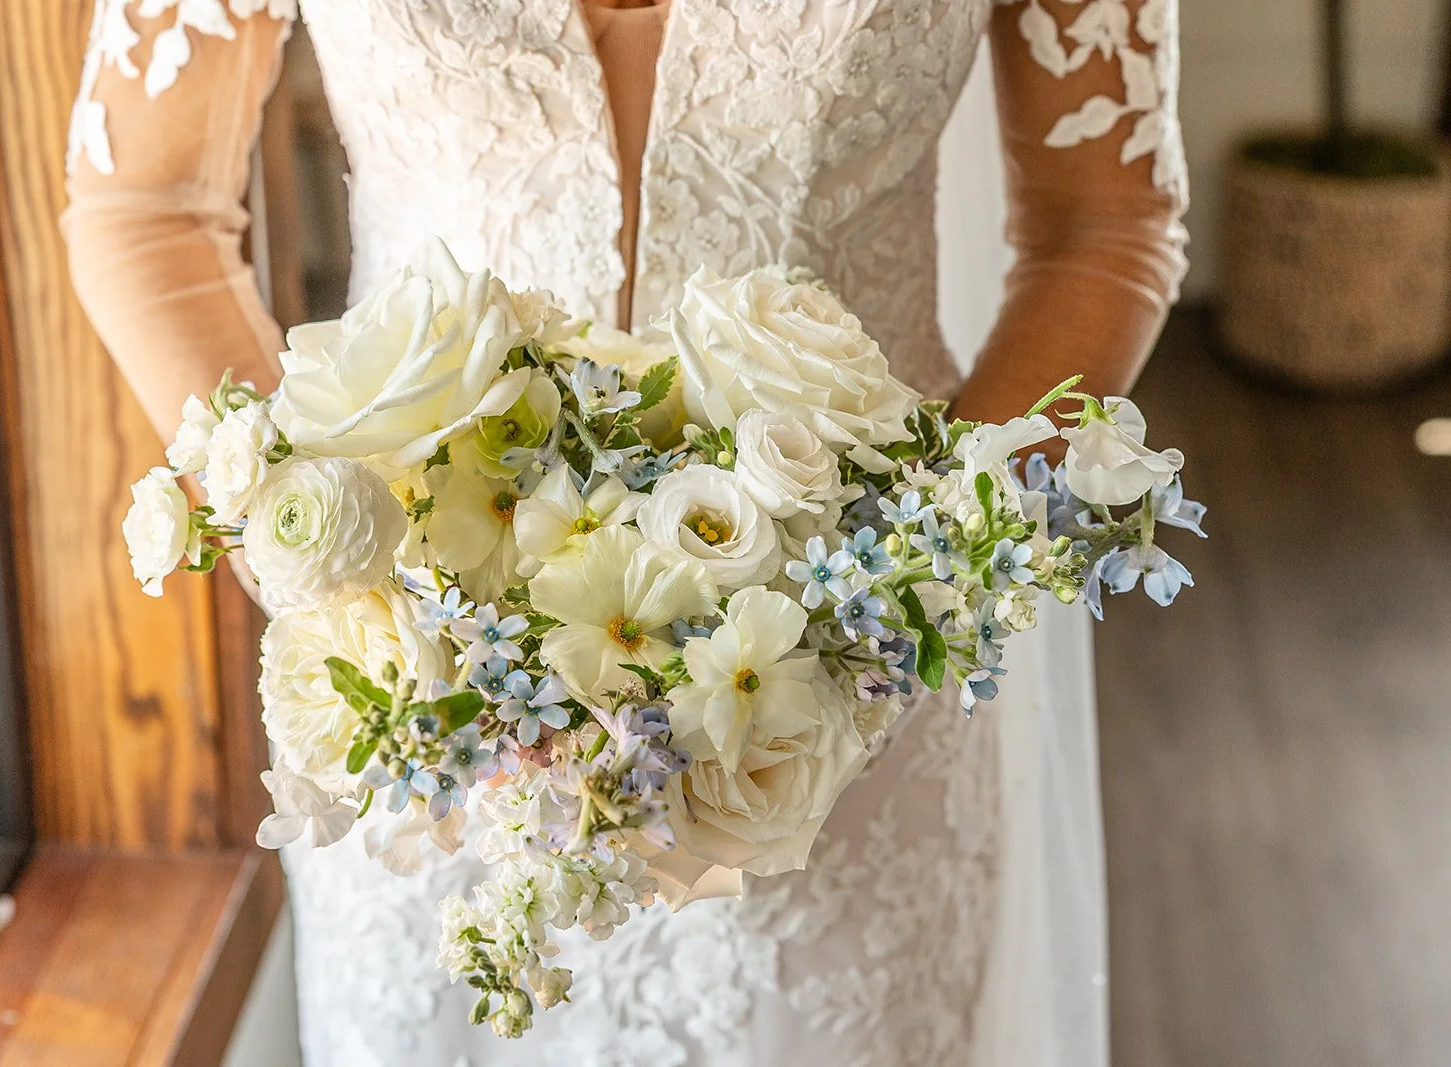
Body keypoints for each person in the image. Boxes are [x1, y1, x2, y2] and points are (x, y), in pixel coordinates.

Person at [65, 2, 1187, 1063]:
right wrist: (330, 563)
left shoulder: (867, 649)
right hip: (427, 712)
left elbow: (1103, 224)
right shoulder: (406, 671)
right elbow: (145, 209)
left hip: (836, 714)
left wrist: (892, 603)